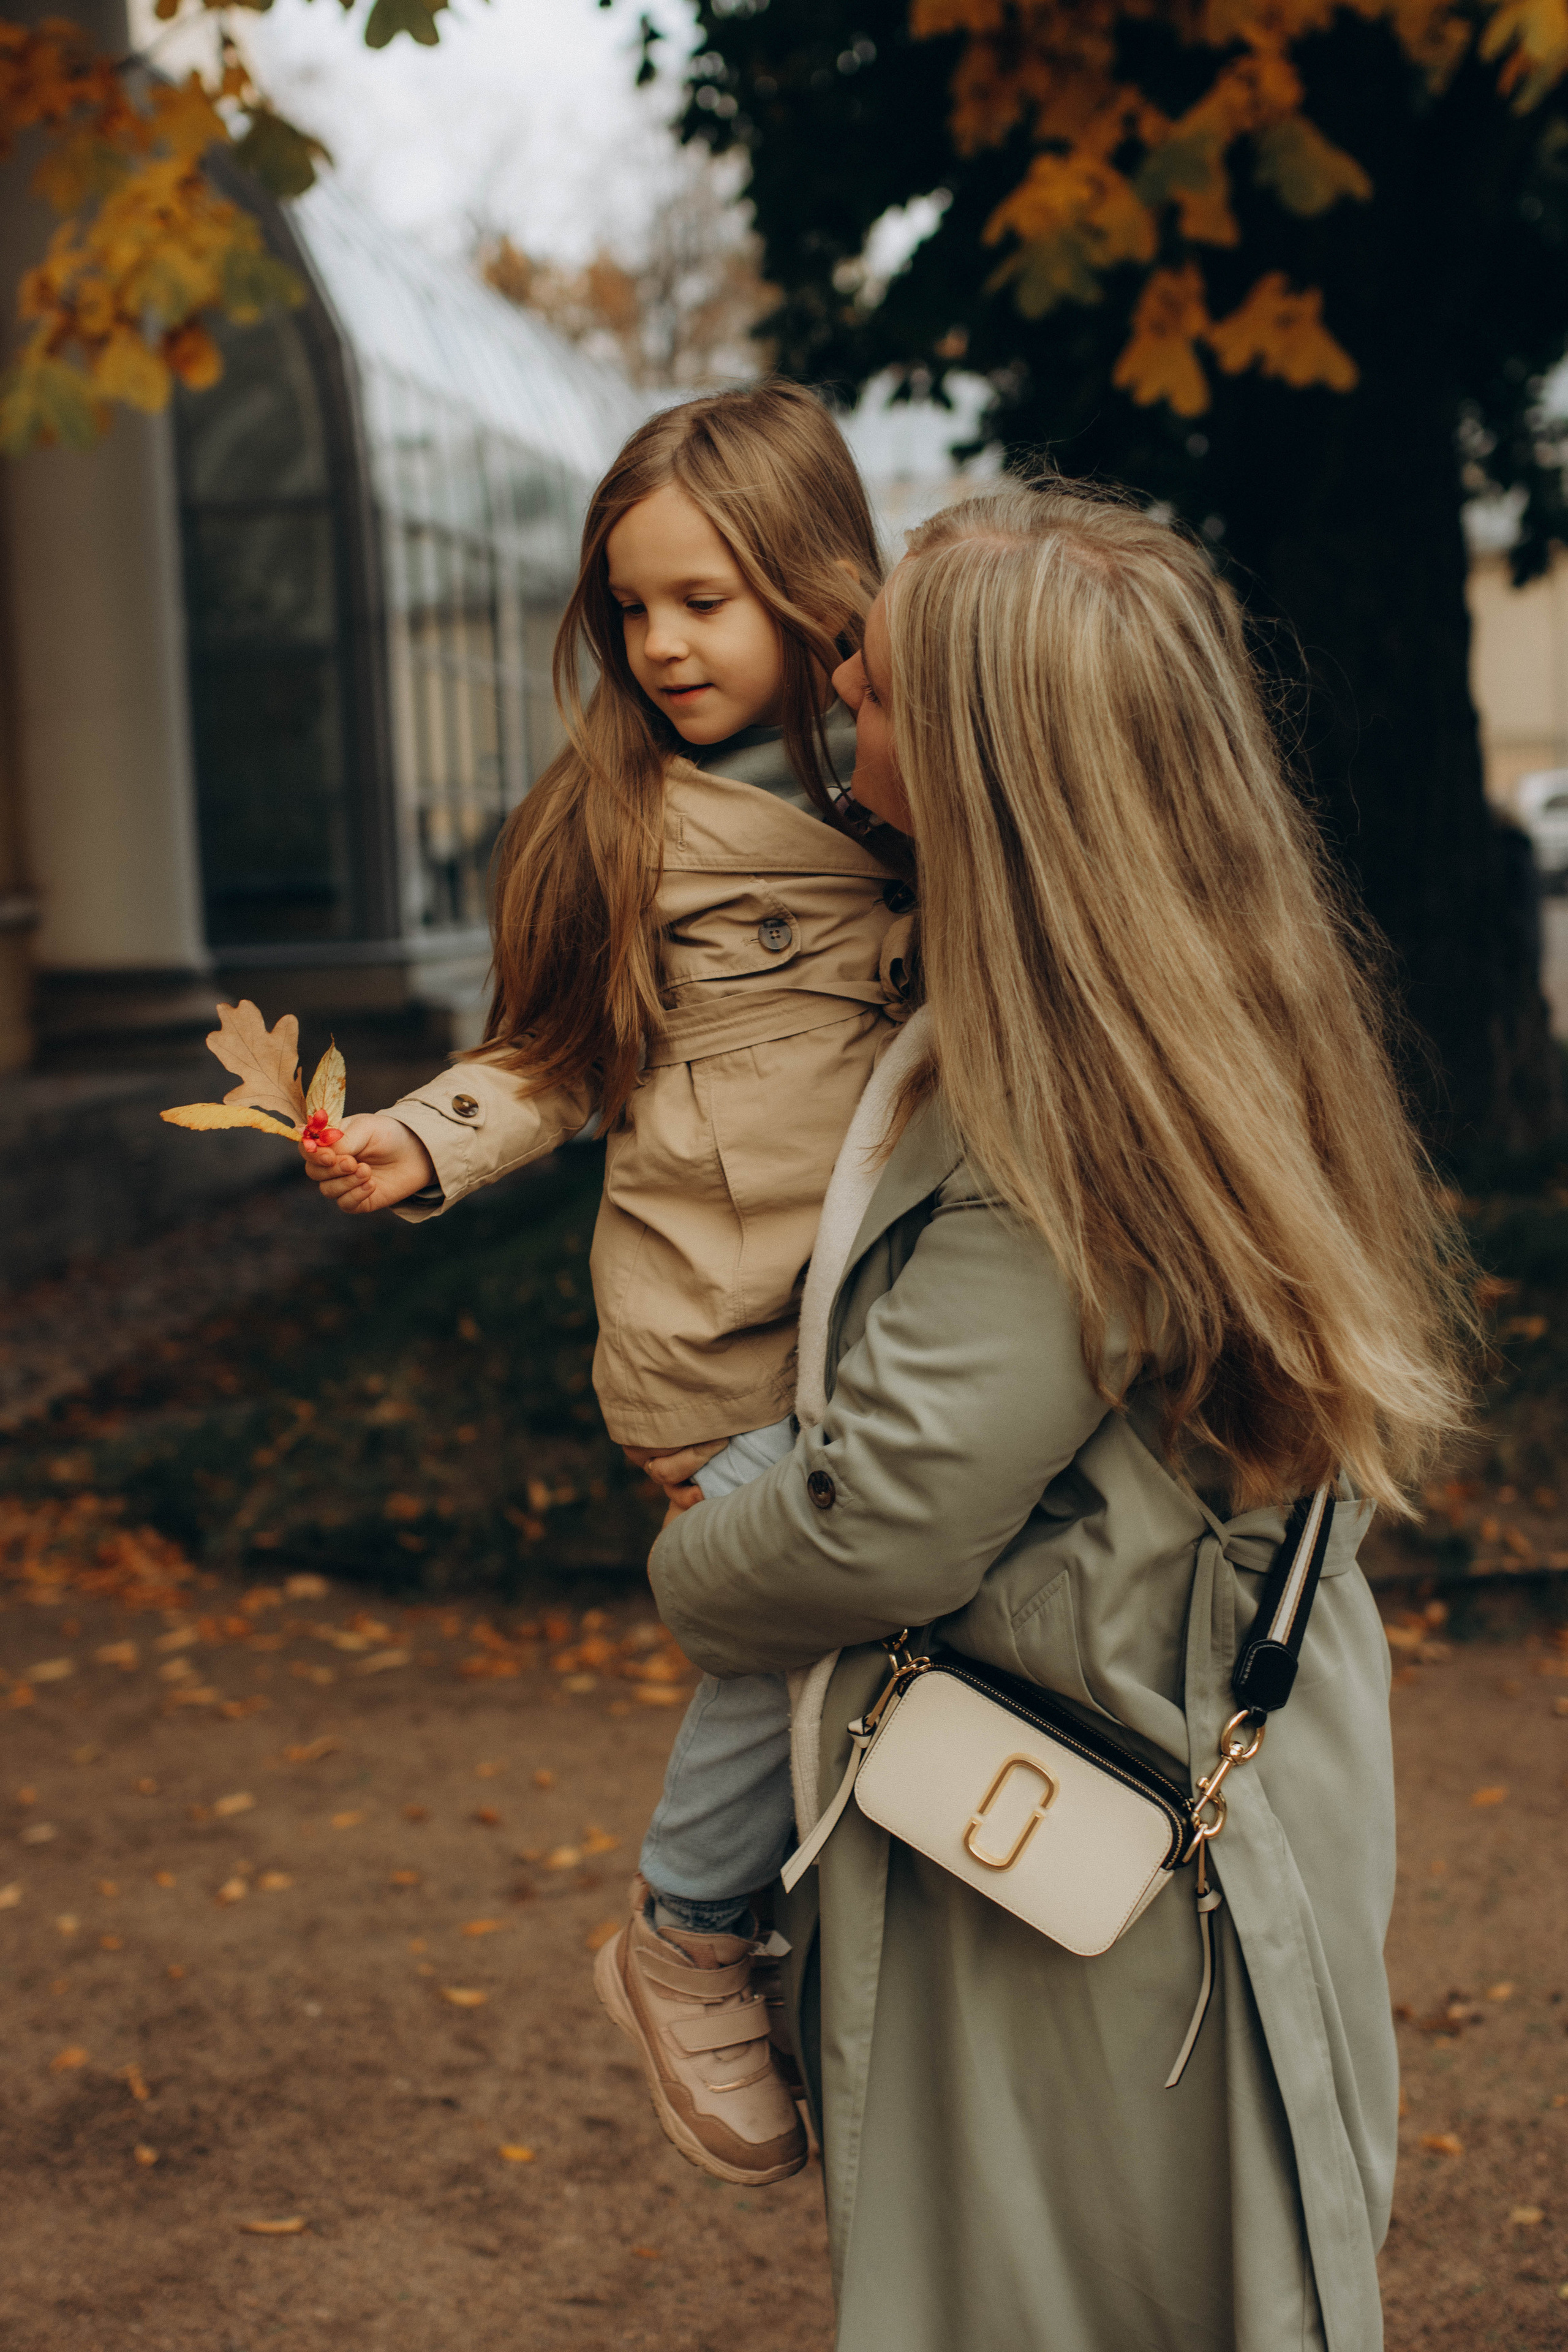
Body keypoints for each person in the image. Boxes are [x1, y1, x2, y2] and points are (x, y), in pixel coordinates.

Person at [646, 480, 1473, 2351]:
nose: (838, 682)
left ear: (993, 758)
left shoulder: (1067, 1116)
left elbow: (883, 1518)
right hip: (1169, 1794)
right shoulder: (1202, 1006)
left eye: (880, 678)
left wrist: (700, 1556)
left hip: (1080, 1851)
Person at [301, 384, 916, 2189]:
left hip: (885, 1319)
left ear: (819, 592)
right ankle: (693, 1928)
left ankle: (842, 1945)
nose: (660, 644)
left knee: (922, 1608)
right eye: (633, 606)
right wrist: (424, 1139)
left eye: (703, 601)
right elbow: (553, 1055)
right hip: (719, 1337)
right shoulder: (620, 822)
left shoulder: (905, 779)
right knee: (819, 1611)